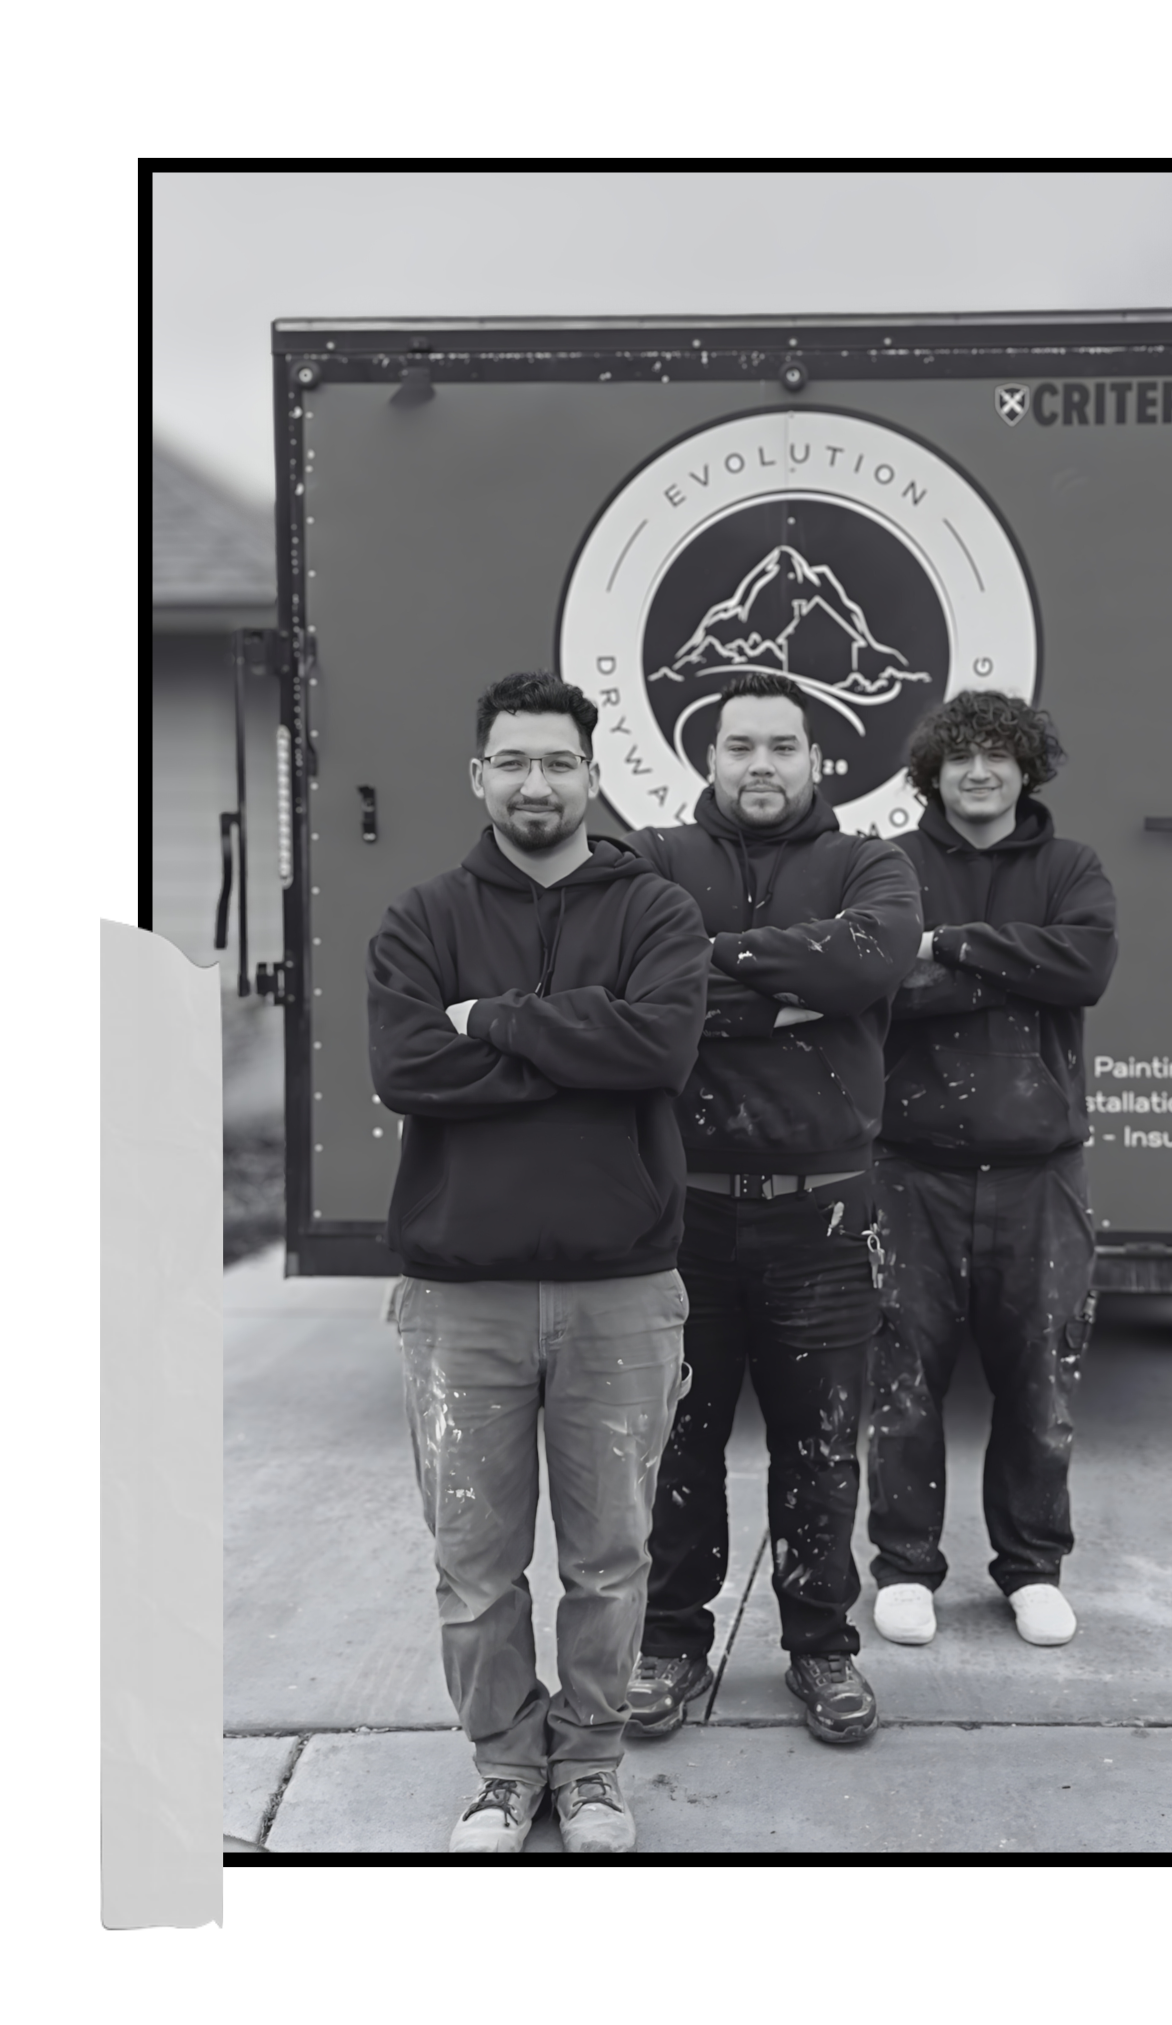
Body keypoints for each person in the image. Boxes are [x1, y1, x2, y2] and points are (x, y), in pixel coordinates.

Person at [366, 671, 710, 1854]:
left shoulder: (656, 912)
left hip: (623, 1289)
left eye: (558, 762)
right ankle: (505, 1771)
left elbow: (659, 1046)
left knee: (611, 1561)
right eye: (512, 762)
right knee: (475, 1562)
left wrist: (492, 1021)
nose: (535, 783)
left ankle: (593, 1767)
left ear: (592, 774)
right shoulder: (421, 918)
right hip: (462, 1300)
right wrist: (578, 1040)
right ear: (479, 776)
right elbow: (409, 1068)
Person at [620, 672, 923, 1746]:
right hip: (681, 1221)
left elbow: (875, 955)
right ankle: (669, 1646)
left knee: (821, 1451)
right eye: (739, 745)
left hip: (826, 1226)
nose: (760, 765)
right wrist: (797, 989)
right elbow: (633, 986)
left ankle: (822, 1652)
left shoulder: (869, 864)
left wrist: (708, 970)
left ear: (815, 761)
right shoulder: (650, 858)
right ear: (707, 760)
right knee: (678, 1447)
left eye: (781, 747)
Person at [866, 691, 1118, 1649]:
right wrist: (1019, 964)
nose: (980, 772)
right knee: (901, 1378)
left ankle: (1031, 1569)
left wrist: (954, 947)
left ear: (1027, 768)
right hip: (910, 1169)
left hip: (1040, 1174)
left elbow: (1085, 969)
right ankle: (904, 1568)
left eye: (999, 756)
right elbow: (883, 983)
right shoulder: (889, 866)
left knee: (1040, 1380)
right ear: (933, 770)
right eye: (961, 757)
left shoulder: (1071, 867)